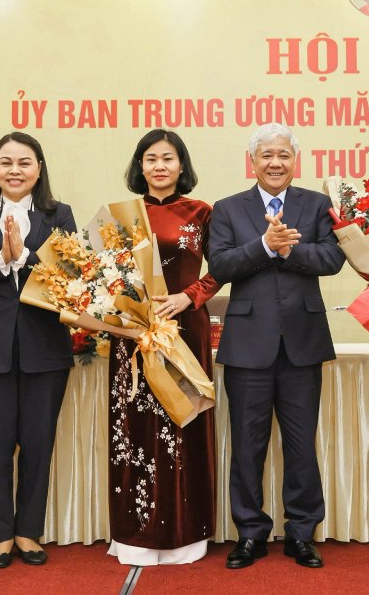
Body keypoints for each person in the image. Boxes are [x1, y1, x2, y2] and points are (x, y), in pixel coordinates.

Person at [208, 123, 345, 570]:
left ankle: (301, 533)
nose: (275, 162)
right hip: (248, 345)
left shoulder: (318, 204)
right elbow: (221, 263)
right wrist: (265, 246)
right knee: (248, 445)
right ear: (253, 161)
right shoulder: (228, 209)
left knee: (302, 445)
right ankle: (250, 532)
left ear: (295, 159)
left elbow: (331, 258)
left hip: (302, 344)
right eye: (266, 154)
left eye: (283, 154)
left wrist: (290, 252)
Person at [0, 132, 76, 568]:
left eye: (25, 162)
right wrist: (2, 260)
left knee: (39, 444)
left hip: (45, 349)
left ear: (39, 168)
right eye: (6, 162)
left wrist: (25, 258)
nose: (15, 170)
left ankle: (28, 532)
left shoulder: (60, 215)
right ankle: (0, 534)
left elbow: (71, 276)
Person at [106, 128, 221, 566]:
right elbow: (106, 279)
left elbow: (222, 267)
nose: (159, 166)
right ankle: (134, 534)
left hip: (184, 330)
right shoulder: (122, 214)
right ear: (140, 166)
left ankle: (186, 534)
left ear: (181, 165)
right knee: (134, 428)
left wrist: (190, 295)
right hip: (132, 335)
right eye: (150, 158)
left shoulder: (202, 212)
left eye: (168, 158)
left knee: (183, 421)